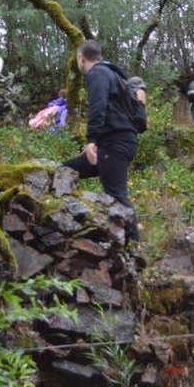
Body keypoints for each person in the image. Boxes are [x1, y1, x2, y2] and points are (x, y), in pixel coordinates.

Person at [61, 40, 141, 241]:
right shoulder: (113, 74)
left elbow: (98, 107)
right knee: (64, 171)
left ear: (81, 57)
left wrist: (91, 140)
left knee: (116, 195)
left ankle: (135, 248)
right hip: (115, 143)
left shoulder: (97, 73)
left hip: (115, 144)